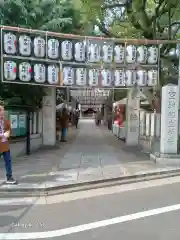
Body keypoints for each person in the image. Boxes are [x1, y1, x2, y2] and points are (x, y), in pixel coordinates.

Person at [0, 103, 17, 184]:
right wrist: (2, 135)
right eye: (1, 110)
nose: (2, 112)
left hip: (5, 145)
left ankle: (9, 177)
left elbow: (9, 130)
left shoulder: (6, 121)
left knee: (8, 161)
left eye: (3, 110)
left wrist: (8, 133)